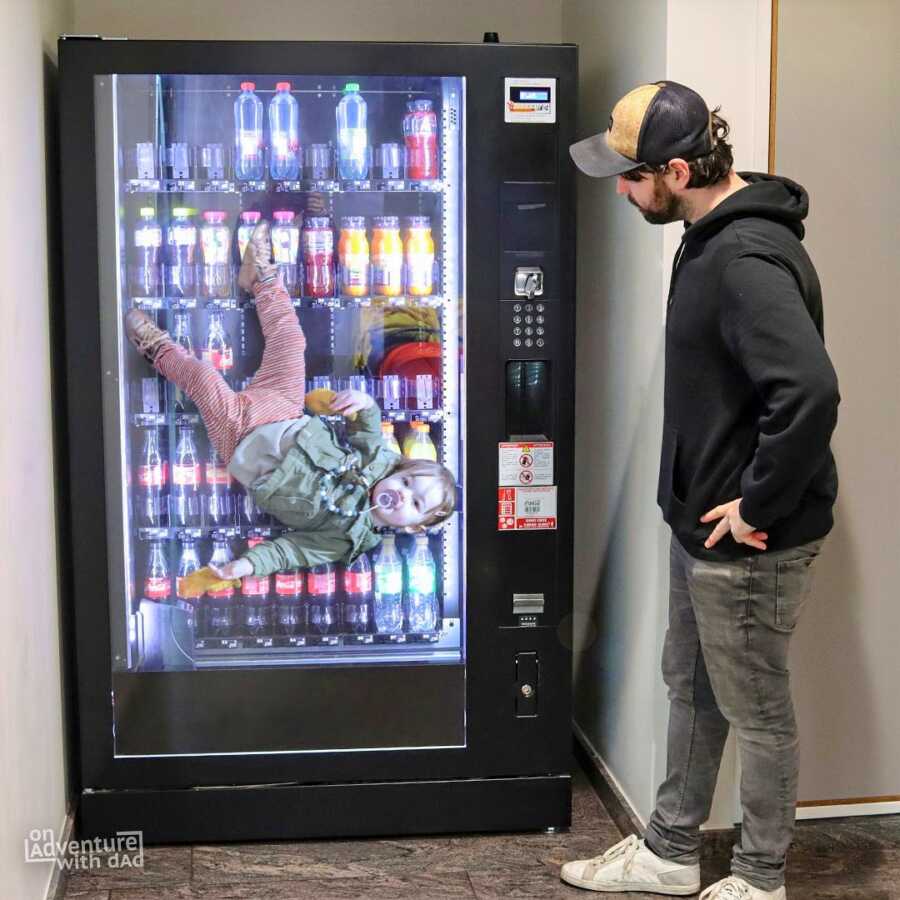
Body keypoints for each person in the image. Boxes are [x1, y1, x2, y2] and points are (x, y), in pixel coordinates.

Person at [562, 82, 840, 900]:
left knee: (757, 711)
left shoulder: (745, 258)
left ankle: (759, 878)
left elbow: (810, 393)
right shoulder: (705, 234)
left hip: (751, 539)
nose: (620, 189)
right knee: (691, 687)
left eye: (630, 176)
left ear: (677, 170)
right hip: (700, 525)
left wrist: (757, 502)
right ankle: (670, 851)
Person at [125, 221, 455, 581]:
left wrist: (244, 565)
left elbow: (290, 551)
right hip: (285, 410)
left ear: (415, 527)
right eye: (407, 483)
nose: (402, 495)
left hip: (243, 440)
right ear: (401, 469)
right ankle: (262, 277)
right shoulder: (377, 462)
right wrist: (362, 402)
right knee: (290, 340)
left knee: (204, 378)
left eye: (416, 503)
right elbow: (368, 427)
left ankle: (157, 349)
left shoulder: (343, 539)